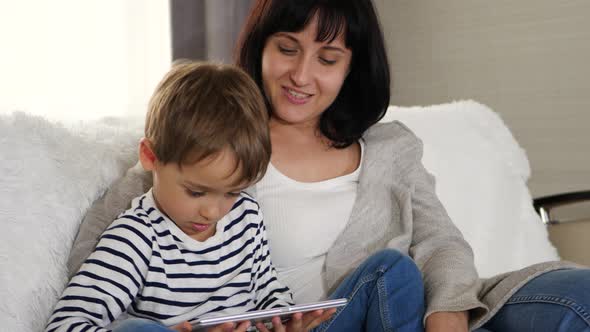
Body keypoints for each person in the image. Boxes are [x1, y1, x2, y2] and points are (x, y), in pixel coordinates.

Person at [68, 1, 590, 331]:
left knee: (577, 293)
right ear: (261, 48)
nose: (301, 74)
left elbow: (440, 244)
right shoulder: (213, 140)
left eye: (328, 57)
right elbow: (103, 252)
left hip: (407, 314)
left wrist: (447, 314)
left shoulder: (391, 148)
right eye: (287, 48)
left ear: (351, 67)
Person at [46, 62, 335, 332]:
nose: (213, 212)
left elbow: (267, 287)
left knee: (380, 269)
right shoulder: (137, 238)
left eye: (232, 192)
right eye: (196, 192)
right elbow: (65, 324)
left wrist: (284, 319)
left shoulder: (246, 214)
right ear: (150, 157)